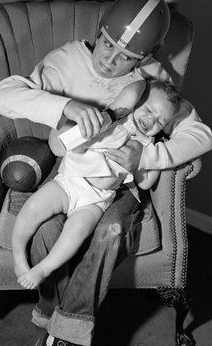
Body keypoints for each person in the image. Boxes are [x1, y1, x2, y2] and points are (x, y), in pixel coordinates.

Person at [0, 0, 212, 346]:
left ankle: (66, 338)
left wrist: (147, 157)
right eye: (108, 45)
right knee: (45, 227)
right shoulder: (65, 62)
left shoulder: (154, 78)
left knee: (110, 231)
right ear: (100, 30)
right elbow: (2, 96)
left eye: (128, 58)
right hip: (73, 168)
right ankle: (51, 316)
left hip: (119, 183)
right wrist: (65, 106)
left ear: (147, 57)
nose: (111, 61)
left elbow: (199, 134)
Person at [12, 80, 182, 290]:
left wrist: (151, 158)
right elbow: (131, 92)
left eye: (160, 121)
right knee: (33, 208)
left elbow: (145, 182)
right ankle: (19, 256)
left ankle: (44, 268)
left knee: (78, 230)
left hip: (96, 199)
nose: (150, 120)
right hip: (69, 181)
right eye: (147, 109)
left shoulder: (147, 146)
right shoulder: (111, 118)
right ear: (135, 104)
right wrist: (132, 97)